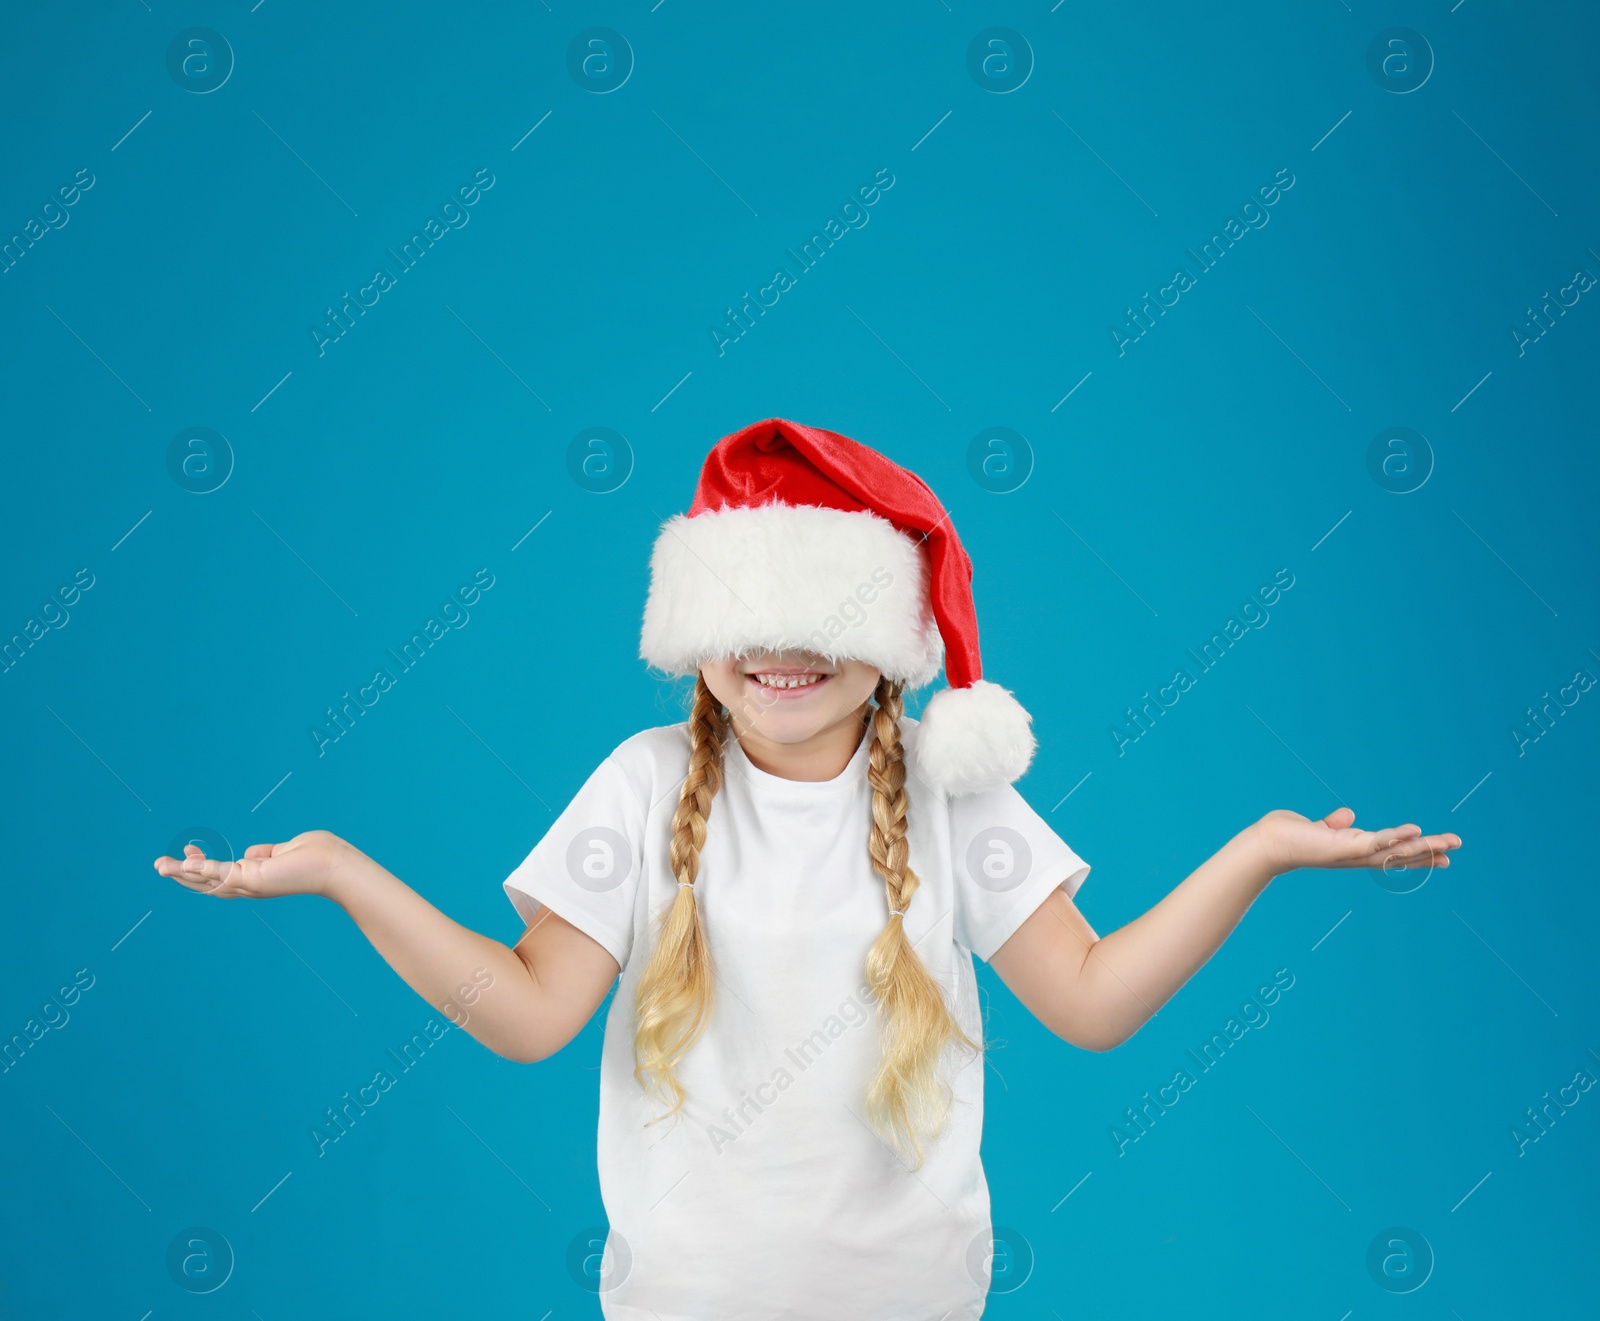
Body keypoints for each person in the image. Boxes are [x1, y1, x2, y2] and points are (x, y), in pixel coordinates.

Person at [153, 417, 1460, 1320]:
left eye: (821, 624)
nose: (782, 654)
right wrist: (340, 870)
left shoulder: (958, 793)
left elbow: (1093, 1000)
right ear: (698, 636)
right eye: (748, 624)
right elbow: (533, 1011)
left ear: (887, 644)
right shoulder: (642, 781)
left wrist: (1261, 851)